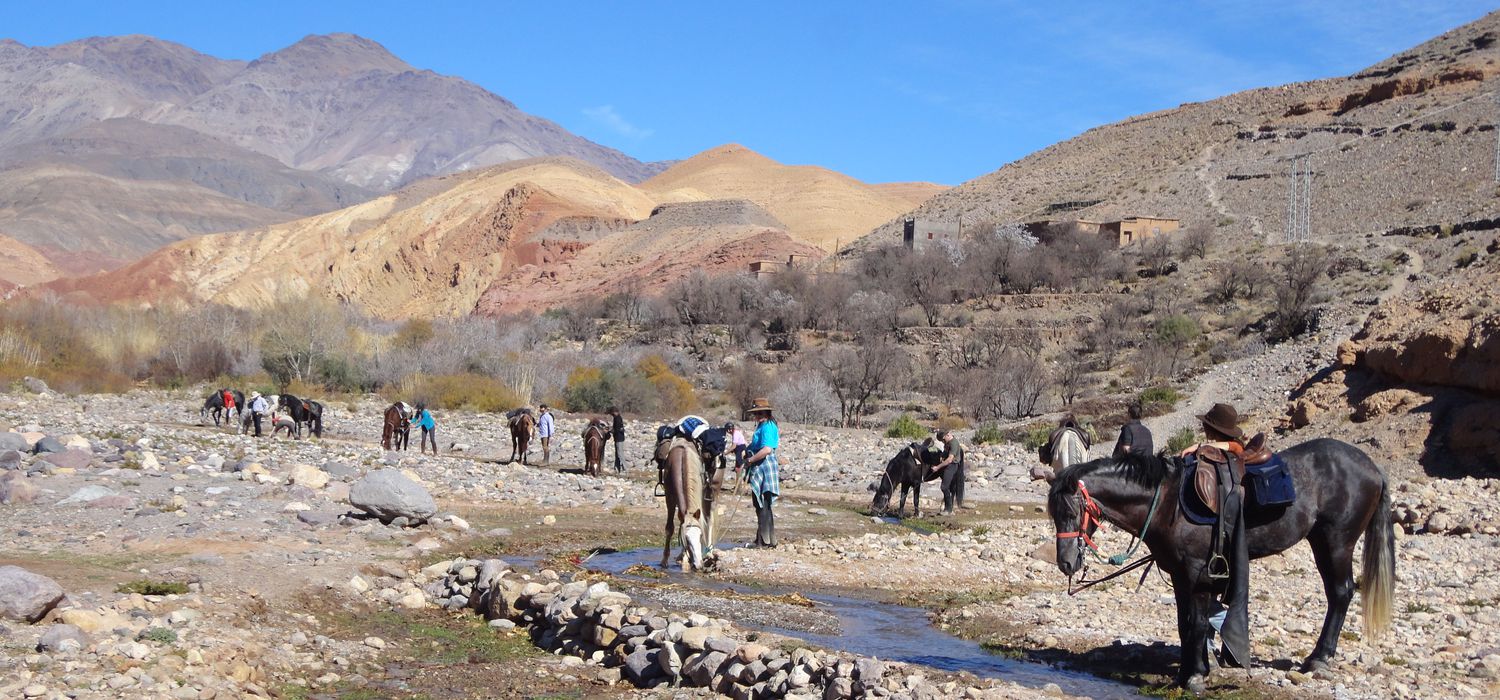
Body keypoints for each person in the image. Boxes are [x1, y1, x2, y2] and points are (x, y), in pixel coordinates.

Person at [743, 398, 781, 548]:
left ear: (766, 412)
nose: (757, 416)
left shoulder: (768, 427)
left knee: (763, 504)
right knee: (762, 504)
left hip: (765, 466)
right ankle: (768, 539)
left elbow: (766, 449)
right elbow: (755, 444)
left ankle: (764, 542)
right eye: (755, 414)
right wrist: (746, 451)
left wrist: (750, 460)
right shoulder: (762, 426)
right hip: (760, 465)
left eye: (759, 413)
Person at [930, 429, 966, 515]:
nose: (943, 441)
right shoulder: (947, 443)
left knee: (944, 487)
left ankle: (948, 509)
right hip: (948, 465)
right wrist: (941, 456)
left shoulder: (954, 443)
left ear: (947, 435)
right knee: (946, 487)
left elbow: (950, 459)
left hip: (952, 465)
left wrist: (937, 468)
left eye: (943, 439)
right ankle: (947, 507)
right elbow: (945, 452)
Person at [609, 406, 626, 472]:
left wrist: (610, 431)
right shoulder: (617, 418)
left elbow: (617, 429)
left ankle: (625, 468)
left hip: (619, 438)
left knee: (620, 454)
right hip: (618, 438)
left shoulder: (617, 419)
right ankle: (616, 468)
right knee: (617, 454)